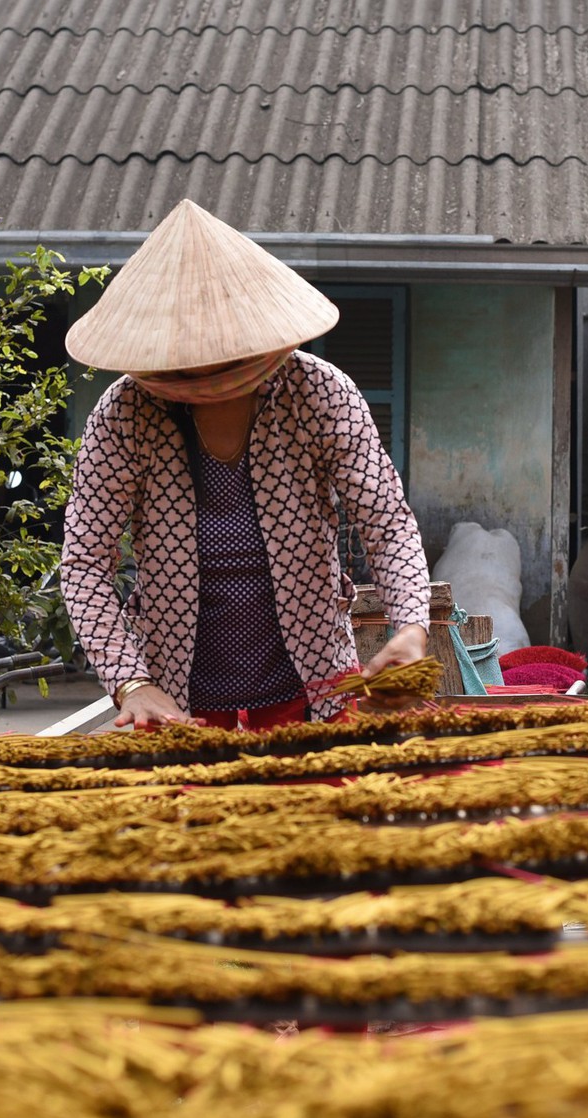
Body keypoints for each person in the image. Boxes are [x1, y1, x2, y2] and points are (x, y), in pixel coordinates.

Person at [59, 200, 433, 730]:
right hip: (177, 704)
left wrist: (411, 629)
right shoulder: (124, 414)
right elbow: (84, 565)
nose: (205, 375)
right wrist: (133, 684)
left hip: (313, 690)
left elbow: (387, 523)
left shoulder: (320, 394)